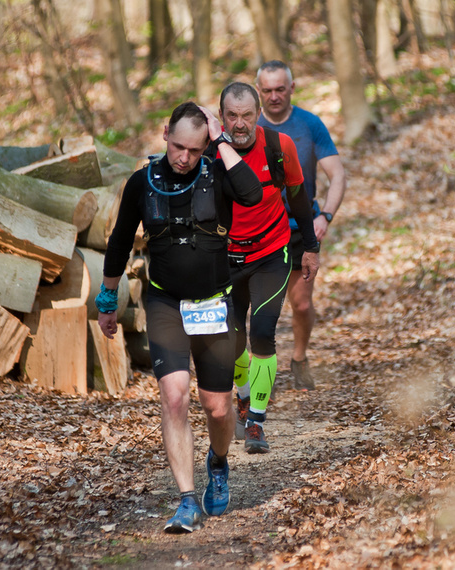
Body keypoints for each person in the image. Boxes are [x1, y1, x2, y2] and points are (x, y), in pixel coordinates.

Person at [97, 102, 262, 533]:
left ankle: (219, 461)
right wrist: (106, 298)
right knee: (173, 397)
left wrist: (221, 139)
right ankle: (186, 500)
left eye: (194, 148)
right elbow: (117, 242)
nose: (184, 157)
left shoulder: (218, 173)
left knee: (218, 407)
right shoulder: (142, 182)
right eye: (177, 146)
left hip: (213, 303)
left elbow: (253, 193)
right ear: (164, 132)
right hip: (165, 303)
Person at [213, 82, 319, 453]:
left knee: (262, 331)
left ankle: (255, 420)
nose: (239, 124)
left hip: (272, 254)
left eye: (246, 115)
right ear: (221, 116)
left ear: (257, 114)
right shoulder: (211, 155)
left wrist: (310, 248)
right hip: (226, 259)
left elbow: (298, 198)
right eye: (232, 115)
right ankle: (243, 396)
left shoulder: (278, 146)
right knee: (232, 338)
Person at [256, 60, 346, 390]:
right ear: (258, 91)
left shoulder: (310, 125)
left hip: (301, 227)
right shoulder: (247, 127)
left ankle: (298, 358)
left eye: (281, 89)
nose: (274, 96)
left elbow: (337, 174)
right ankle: (255, 376)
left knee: (302, 303)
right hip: (260, 229)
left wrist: (326, 216)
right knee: (260, 307)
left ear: (292, 88)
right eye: (267, 90)